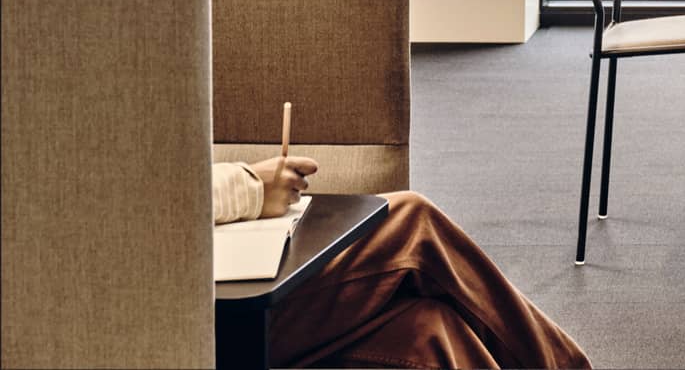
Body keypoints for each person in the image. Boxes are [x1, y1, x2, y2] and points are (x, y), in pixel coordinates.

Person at [213, 156, 590, 368]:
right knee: (413, 221)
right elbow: (176, 195)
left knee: (430, 329)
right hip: (215, 321)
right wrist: (251, 185)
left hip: (220, 280)